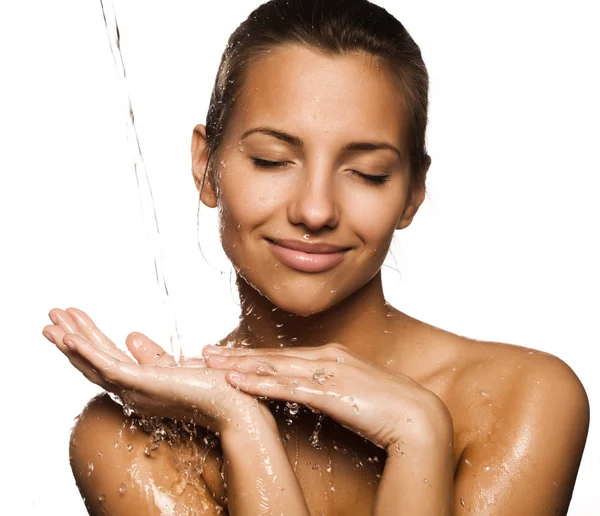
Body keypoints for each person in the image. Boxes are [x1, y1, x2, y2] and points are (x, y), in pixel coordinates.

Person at [42, 0, 589, 514]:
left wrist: (417, 431)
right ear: (206, 166)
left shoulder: (527, 398)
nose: (315, 209)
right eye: (272, 159)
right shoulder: (141, 440)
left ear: (412, 193)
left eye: (368, 172)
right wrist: (242, 423)